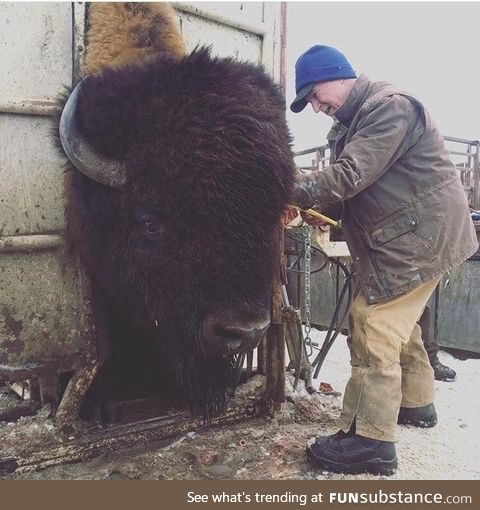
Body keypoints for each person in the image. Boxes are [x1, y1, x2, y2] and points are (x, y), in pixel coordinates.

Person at [289, 45, 478, 475]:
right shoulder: (351, 123)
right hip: (407, 237)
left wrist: (279, 185)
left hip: (421, 239)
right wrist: (310, 208)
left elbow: (348, 176)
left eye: (317, 96)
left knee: (372, 324)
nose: (318, 108)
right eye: (311, 103)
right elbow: (347, 193)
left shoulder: (389, 109)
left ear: (338, 76)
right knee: (399, 326)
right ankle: (415, 403)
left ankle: (370, 441)